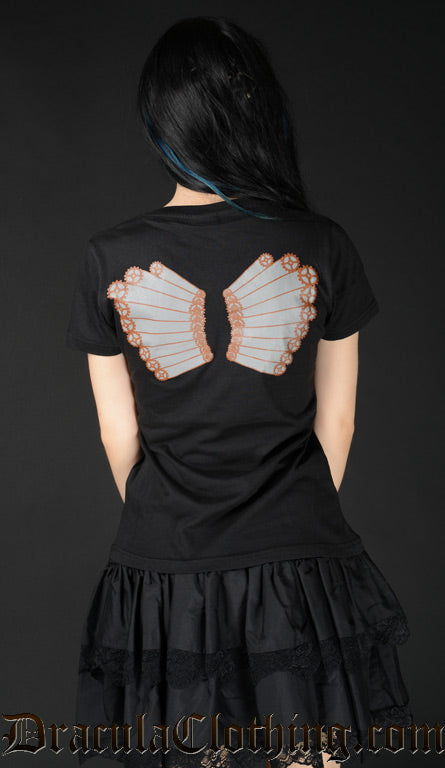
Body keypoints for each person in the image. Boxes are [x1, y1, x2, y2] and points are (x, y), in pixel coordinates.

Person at [65, 15, 413, 768]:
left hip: (164, 564)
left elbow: (118, 436)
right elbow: (339, 421)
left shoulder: (108, 257)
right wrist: (290, 517)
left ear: (158, 119)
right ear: (258, 111)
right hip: (299, 559)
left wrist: (174, 518)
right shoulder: (321, 243)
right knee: (307, 753)